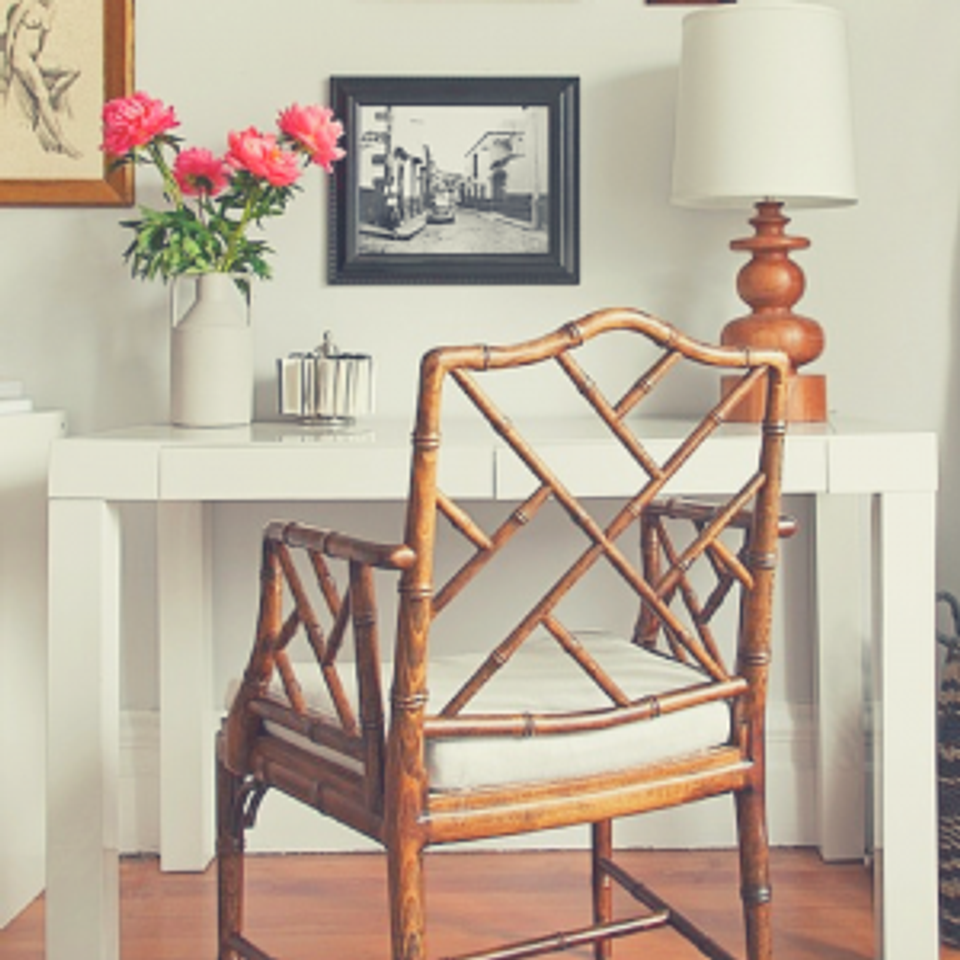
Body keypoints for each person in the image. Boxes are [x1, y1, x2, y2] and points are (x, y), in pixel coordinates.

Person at [1, 0, 81, 158]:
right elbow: (11, 33)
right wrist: (8, 64)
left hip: (34, 58)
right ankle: (61, 140)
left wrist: (39, 58)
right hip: (20, 57)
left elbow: (43, 39)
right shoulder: (26, 5)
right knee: (41, 94)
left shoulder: (51, 9)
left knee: (73, 70)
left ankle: (47, 105)